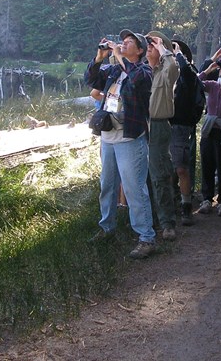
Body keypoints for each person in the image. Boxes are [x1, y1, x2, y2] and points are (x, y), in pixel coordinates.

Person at [84, 30, 156, 259]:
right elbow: (91, 81)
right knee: (107, 185)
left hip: (129, 138)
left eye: (129, 42)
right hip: (108, 137)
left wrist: (118, 55)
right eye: (122, 42)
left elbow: (136, 81)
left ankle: (146, 237)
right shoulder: (114, 70)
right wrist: (99, 58)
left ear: (141, 50)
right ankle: (107, 228)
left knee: (134, 188)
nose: (123, 44)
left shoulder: (143, 71)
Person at [145, 31, 179, 241]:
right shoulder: (140, 71)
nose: (149, 45)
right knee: (142, 176)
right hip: (139, 127)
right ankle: (149, 221)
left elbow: (174, 69)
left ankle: (167, 222)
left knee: (159, 176)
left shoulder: (166, 70)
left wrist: (163, 49)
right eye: (147, 43)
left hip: (158, 127)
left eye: (154, 43)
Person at [197, 49, 221, 217]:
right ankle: (206, 199)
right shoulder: (213, 86)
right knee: (207, 164)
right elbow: (195, 83)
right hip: (209, 131)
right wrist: (209, 68)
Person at [170, 38, 202, 225]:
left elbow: (190, 77)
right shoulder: (164, 70)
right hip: (161, 125)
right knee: (166, 169)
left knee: (181, 168)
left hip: (181, 125)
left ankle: (186, 207)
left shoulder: (188, 73)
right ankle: (170, 202)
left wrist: (178, 54)